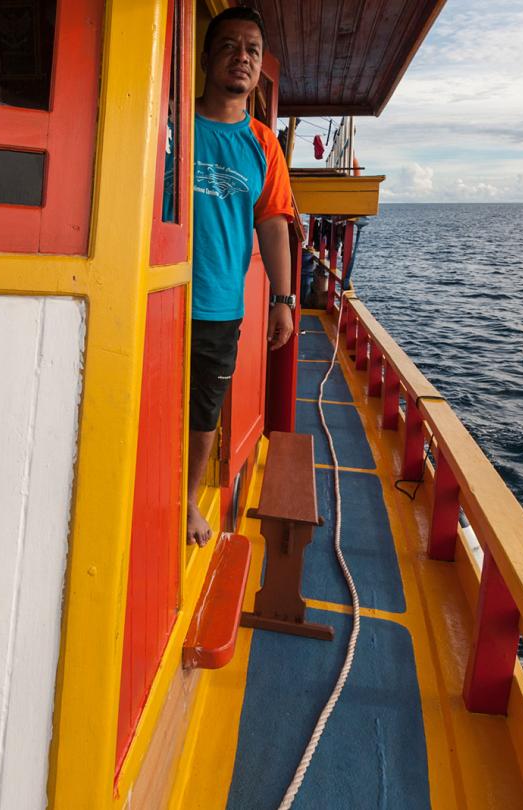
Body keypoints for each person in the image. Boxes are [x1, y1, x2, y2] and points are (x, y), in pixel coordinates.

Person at [187, 6, 295, 547]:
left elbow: (274, 226)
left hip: (219, 305)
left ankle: (185, 499)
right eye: (230, 46)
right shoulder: (171, 123)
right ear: (206, 57)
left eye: (252, 50)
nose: (243, 58)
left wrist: (284, 299)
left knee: (204, 410)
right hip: (157, 294)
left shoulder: (263, 144)